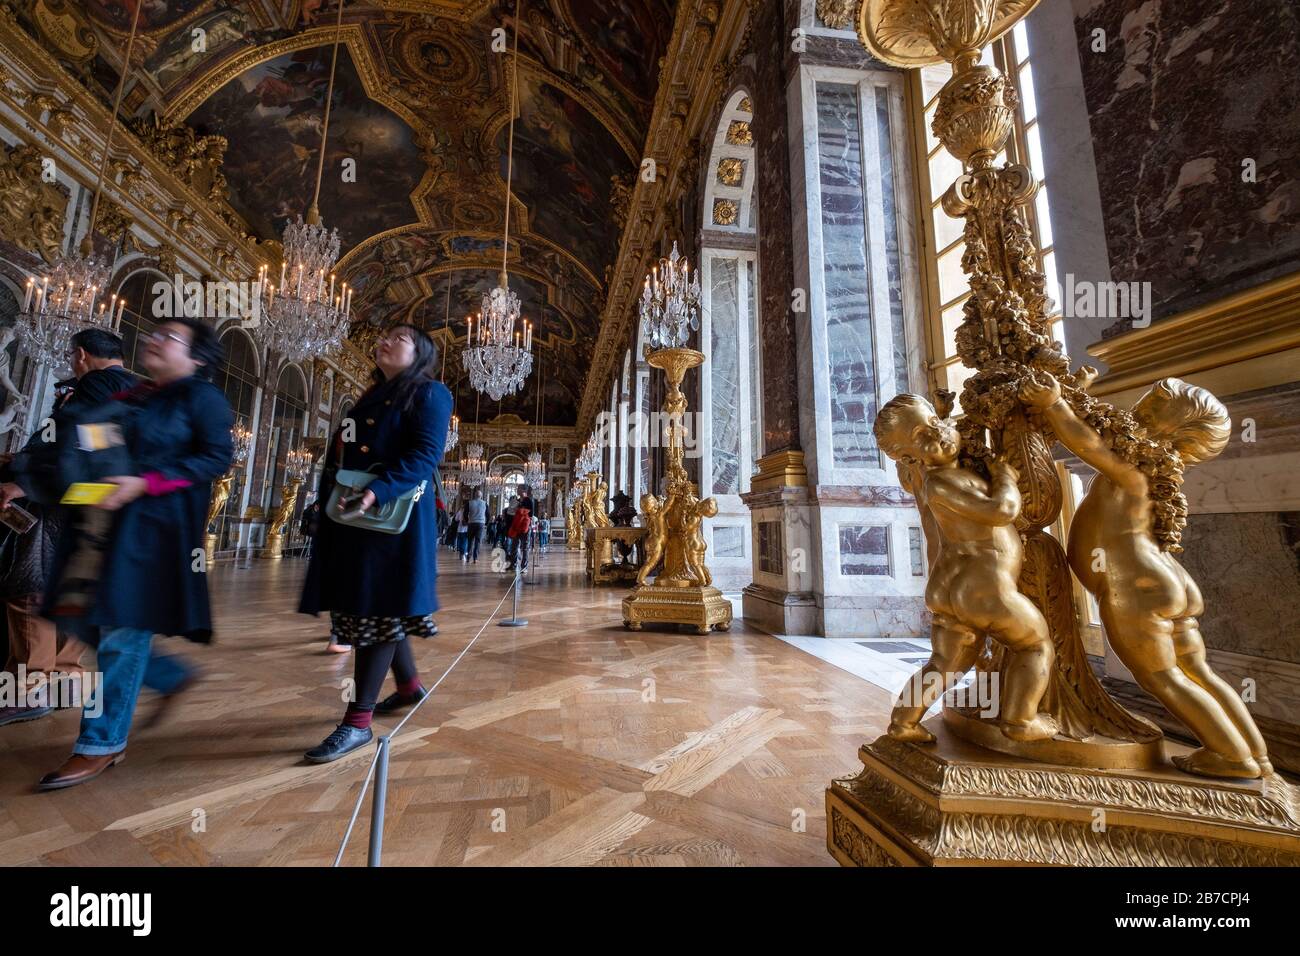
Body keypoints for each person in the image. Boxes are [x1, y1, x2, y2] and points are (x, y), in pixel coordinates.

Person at [1021, 372, 1272, 778]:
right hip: (1168, 582)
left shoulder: (1133, 471)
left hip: (1135, 587)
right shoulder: (1157, 475)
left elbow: (1088, 443)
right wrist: (1074, 394)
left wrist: (1053, 404)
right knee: (1197, 672)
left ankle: (1230, 755)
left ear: (1166, 431)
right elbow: (1099, 433)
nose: (1134, 412)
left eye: (1147, 410)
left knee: (1163, 677)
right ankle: (1255, 755)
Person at [33, 319, 234, 790]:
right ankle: (167, 675)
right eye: (155, 333)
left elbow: (215, 458)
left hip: (152, 532)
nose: (154, 340)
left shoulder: (202, 398)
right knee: (77, 616)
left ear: (197, 357)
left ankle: (99, 745)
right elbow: (99, 446)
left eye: (169, 337)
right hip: (102, 527)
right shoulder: (135, 395)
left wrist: (145, 483)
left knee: (121, 630)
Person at [299, 324, 452, 763]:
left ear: (420, 353)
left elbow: (424, 456)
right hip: (351, 512)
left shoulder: (430, 393)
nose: (385, 340)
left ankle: (357, 723)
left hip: (391, 517)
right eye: (386, 336)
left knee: (378, 608)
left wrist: (376, 492)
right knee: (373, 603)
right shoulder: (369, 396)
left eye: (399, 338)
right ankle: (407, 688)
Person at [873, 392, 1057, 744]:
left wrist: (941, 416)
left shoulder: (934, 476)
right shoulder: (942, 483)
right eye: (923, 437)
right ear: (911, 458)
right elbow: (1003, 511)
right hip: (985, 587)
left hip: (949, 588)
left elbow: (939, 439)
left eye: (936, 424)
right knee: (1035, 644)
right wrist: (1006, 477)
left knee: (943, 664)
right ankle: (1021, 719)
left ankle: (904, 722)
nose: (937, 435)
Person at [0, 329, 139, 727]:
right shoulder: (136, 390)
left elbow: (69, 445)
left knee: (27, 586)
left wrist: (23, 481)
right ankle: (66, 679)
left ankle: (28, 688)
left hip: (63, 499)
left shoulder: (93, 386)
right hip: (103, 501)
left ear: (80, 355)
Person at [466, 488, 486, 563]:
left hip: (471, 523)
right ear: (481, 496)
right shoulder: (484, 503)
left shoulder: (470, 503)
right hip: (480, 524)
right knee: (477, 541)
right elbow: (488, 514)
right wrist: (485, 523)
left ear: (474, 495)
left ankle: (468, 557)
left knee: (470, 541)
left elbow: (465, 513)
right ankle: (475, 558)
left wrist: (467, 520)